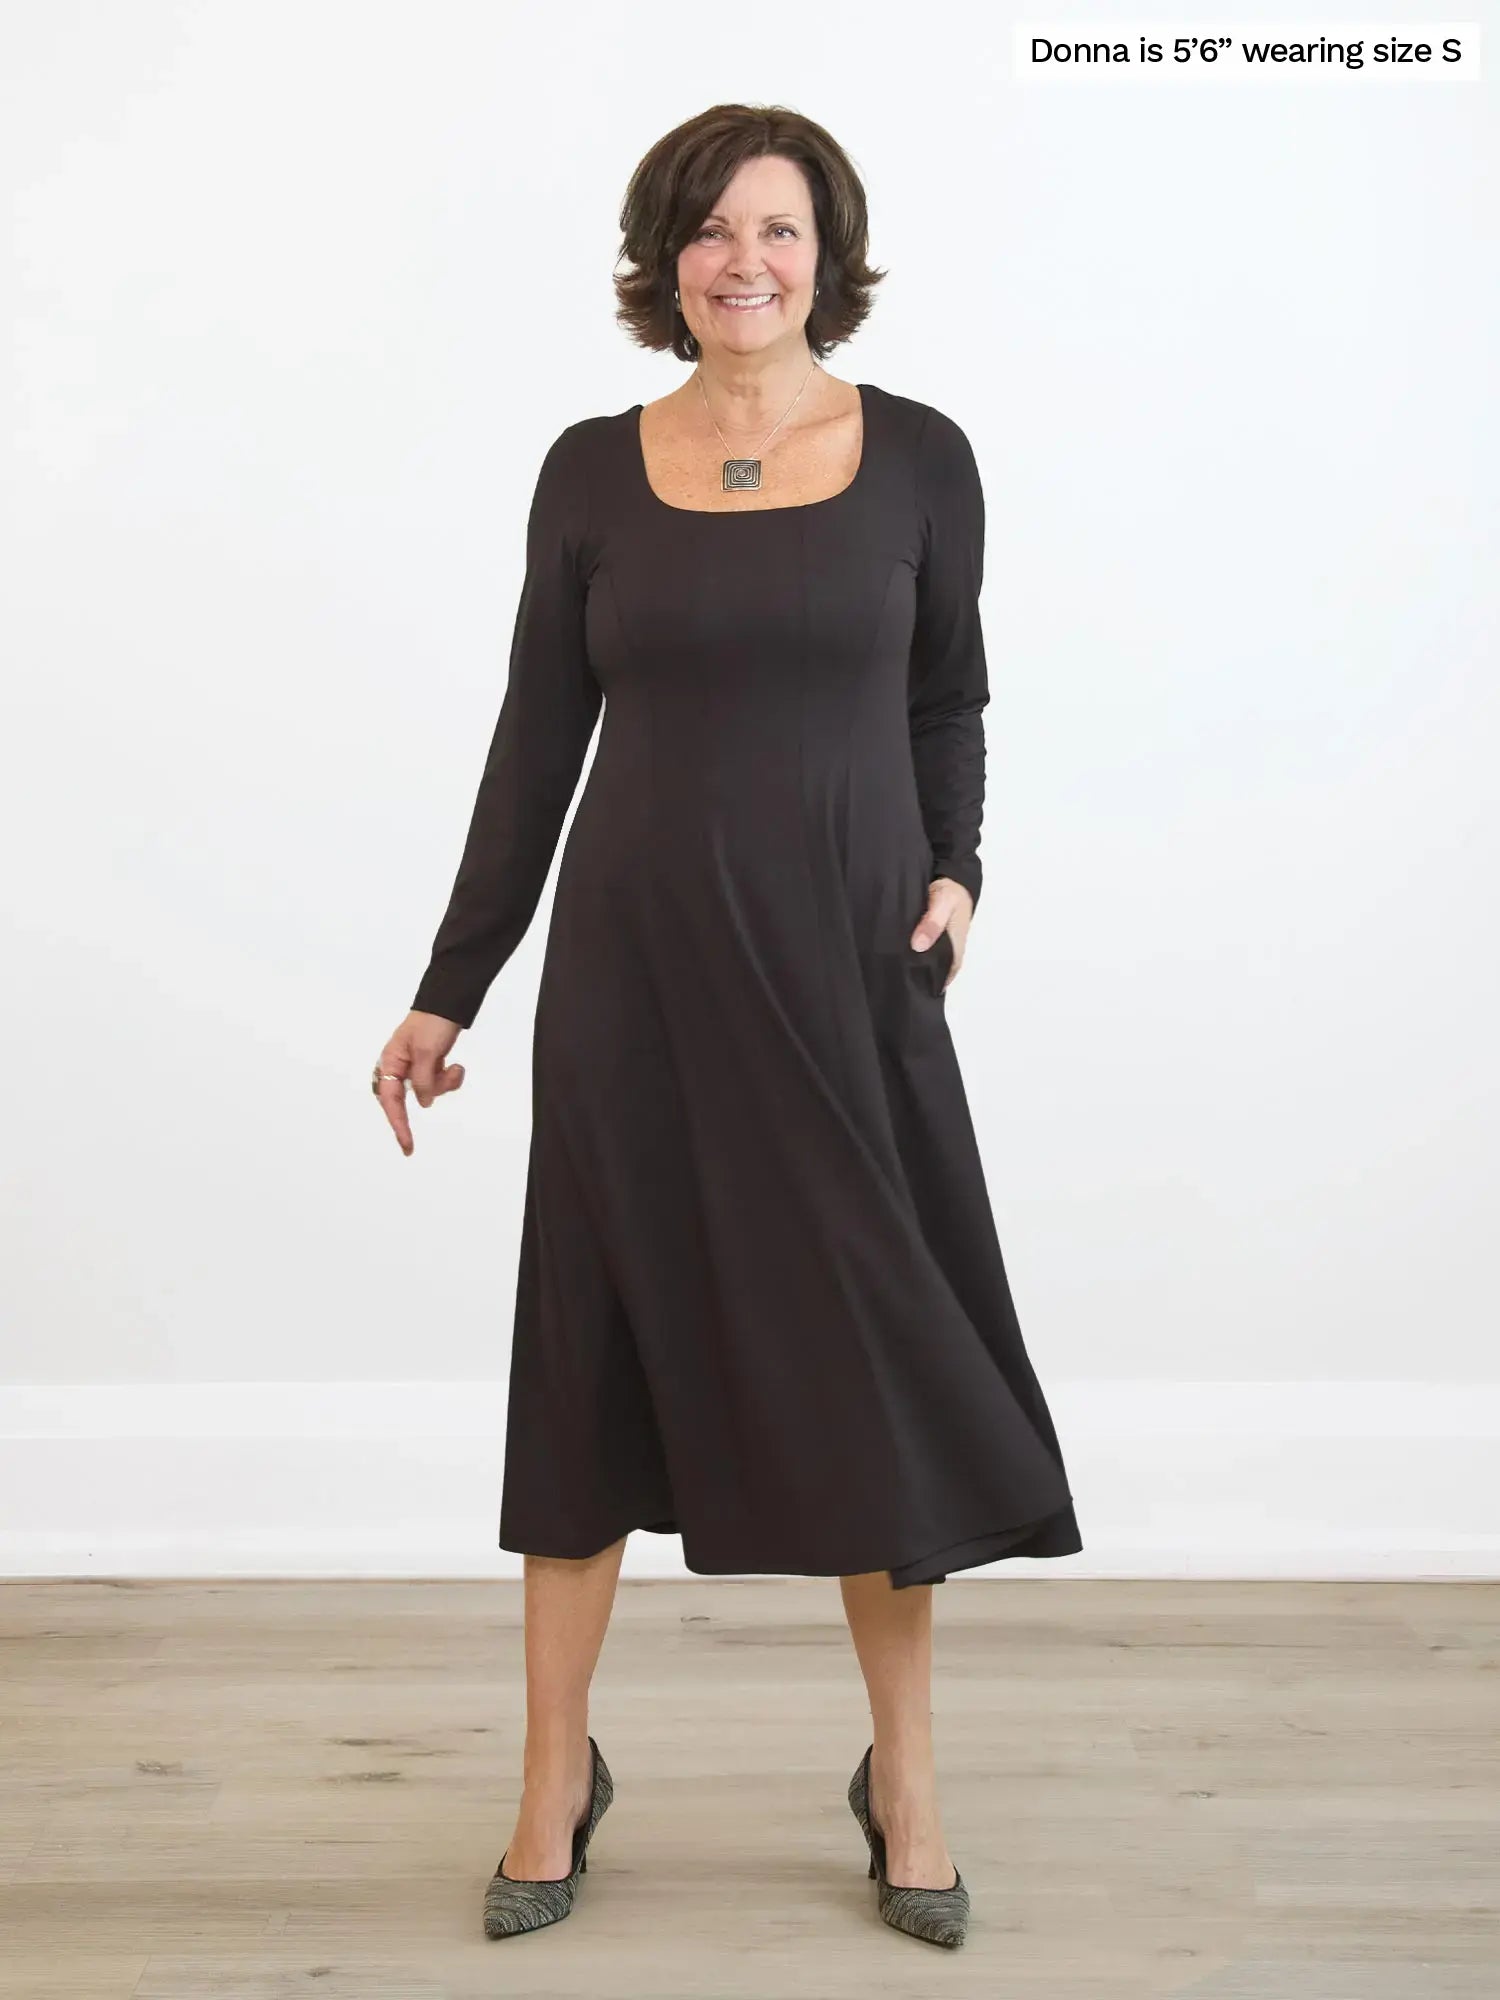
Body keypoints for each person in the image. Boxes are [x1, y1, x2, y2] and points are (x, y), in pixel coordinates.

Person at [373, 102, 1082, 1949]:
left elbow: (952, 699)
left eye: (775, 231)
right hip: (635, 993)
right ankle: (552, 1781)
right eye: (708, 231)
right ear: (662, 259)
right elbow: (539, 743)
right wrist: (453, 985)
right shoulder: (591, 474)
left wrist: (959, 869)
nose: (741, 263)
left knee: (871, 1370)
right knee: (588, 1369)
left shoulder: (921, 458)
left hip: (850, 977)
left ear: (826, 253)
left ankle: (905, 1783)